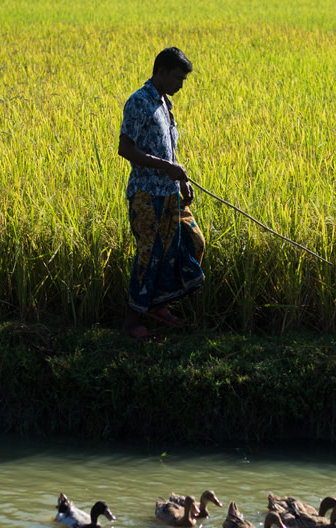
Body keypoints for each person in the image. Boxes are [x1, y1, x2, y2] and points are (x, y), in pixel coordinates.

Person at [117, 46, 205, 340]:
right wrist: (165, 167)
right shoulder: (139, 102)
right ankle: (131, 323)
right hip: (146, 195)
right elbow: (125, 148)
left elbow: (170, 149)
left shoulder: (165, 104)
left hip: (170, 193)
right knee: (149, 256)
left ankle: (158, 304)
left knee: (191, 242)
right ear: (162, 72)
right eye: (178, 78)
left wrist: (181, 181)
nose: (181, 84)